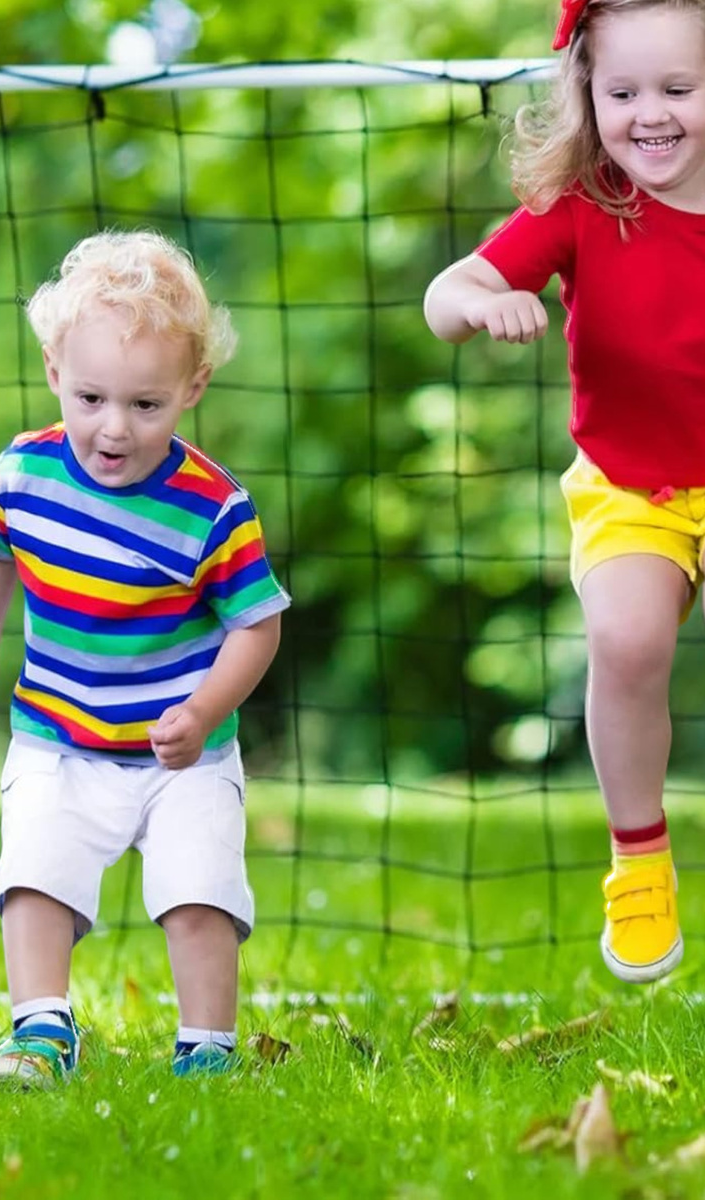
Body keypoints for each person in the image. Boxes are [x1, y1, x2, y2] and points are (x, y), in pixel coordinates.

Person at [0, 230, 290, 1083]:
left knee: (198, 890)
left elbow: (258, 626)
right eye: (92, 397)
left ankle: (207, 1046)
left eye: (146, 405)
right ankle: (39, 1030)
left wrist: (205, 713)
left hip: (184, 754)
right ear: (55, 370)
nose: (113, 428)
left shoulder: (213, 507)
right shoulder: (23, 474)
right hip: (59, 738)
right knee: (34, 872)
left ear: (192, 390)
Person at [423, 0, 705, 983]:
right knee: (628, 641)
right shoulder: (586, 204)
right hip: (634, 485)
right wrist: (483, 300)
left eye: (679, 89)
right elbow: (443, 294)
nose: (649, 115)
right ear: (586, 89)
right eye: (622, 92)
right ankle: (638, 861)